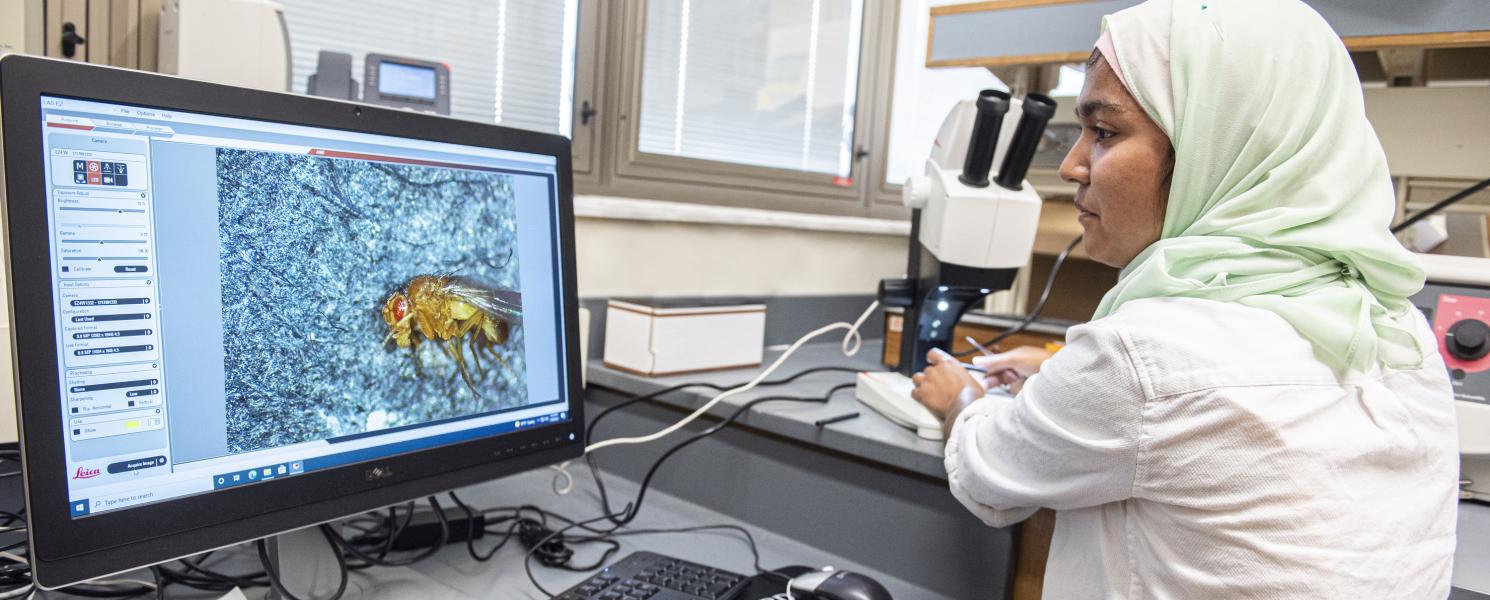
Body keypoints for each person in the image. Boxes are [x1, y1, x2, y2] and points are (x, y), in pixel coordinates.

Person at [909, 0, 1460, 597]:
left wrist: (960, 397)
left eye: (1103, 132)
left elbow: (993, 473)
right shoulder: (1400, 330)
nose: (1071, 166)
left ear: (1213, 146)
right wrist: (1063, 372)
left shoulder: (1146, 354)